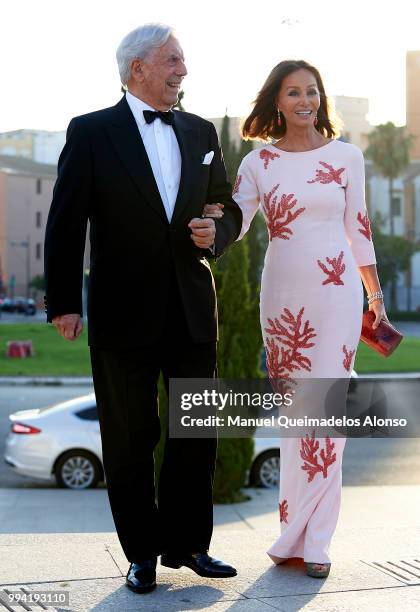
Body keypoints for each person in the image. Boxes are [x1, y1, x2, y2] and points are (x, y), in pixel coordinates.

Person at [44, 23, 242, 594]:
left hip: (190, 309)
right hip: (120, 312)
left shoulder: (202, 130)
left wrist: (219, 229)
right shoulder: (91, 132)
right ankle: (142, 555)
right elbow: (65, 220)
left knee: (195, 430)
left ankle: (190, 544)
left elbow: (225, 204)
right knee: (130, 438)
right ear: (138, 69)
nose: (183, 69)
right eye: (173, 60)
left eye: (182, 60)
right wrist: (63, 301)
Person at [204, 60, 387, 579]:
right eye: (293, 92)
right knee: (296, 418)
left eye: (312, 91)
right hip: (283, 297)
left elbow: (360, 230)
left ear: (319, 98)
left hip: (337, 298)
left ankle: (318, 542)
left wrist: (375, 298)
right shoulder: (259, 162)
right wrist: (208, 224)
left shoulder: (347, 156)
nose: (304, 100)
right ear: (277, 102)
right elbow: (236, 221)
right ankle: (292, 538)